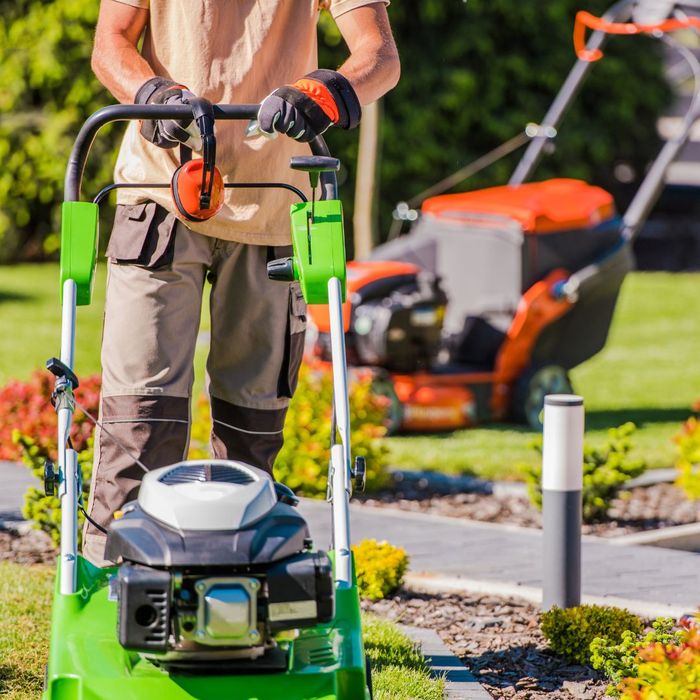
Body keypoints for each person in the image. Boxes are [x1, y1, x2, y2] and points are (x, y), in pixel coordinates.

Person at [83, 0, 400, 565]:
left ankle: (243, 580)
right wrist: (150, 92)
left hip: (275, 203)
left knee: (251, 427)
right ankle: (111, 582)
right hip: (160, 195)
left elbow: (378, 57)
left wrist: (322, 93)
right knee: (139, 417)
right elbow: (110, 43)